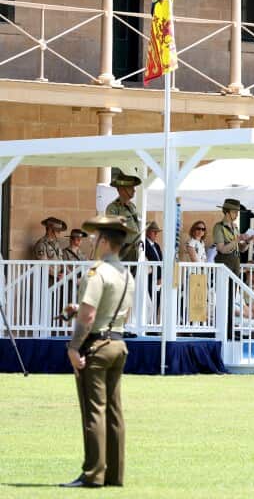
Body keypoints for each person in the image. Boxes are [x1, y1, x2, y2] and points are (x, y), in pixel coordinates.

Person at [61, 215, 135, 489]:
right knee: (114, 412)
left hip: (97, 345)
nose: (92, 241)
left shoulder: (96, 272)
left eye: (95, 238)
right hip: (118, 342)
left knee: (94, 411)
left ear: (104, 241)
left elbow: (89, 316)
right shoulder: (126, 274)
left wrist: (73, 347)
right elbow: (122, 314)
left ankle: (93, 474)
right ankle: (114, 474)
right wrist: (76, 310)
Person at [105, 171, 142, 263]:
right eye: (130, 187)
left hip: (134, 249)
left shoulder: (132, 207)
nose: (134, 190)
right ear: (121, 189)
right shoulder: (113, 208)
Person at [211, 198, 248, 276]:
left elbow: (241, 249)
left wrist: (248, 242)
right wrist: (237, 240)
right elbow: (222, 249)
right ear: (227, 212)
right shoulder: (219, 227)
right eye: (234, 212)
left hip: (236, 261)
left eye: (237, 212)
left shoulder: (235, 227)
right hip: (225, 261)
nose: (237, 215)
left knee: (234, 287)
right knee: (225, 286)